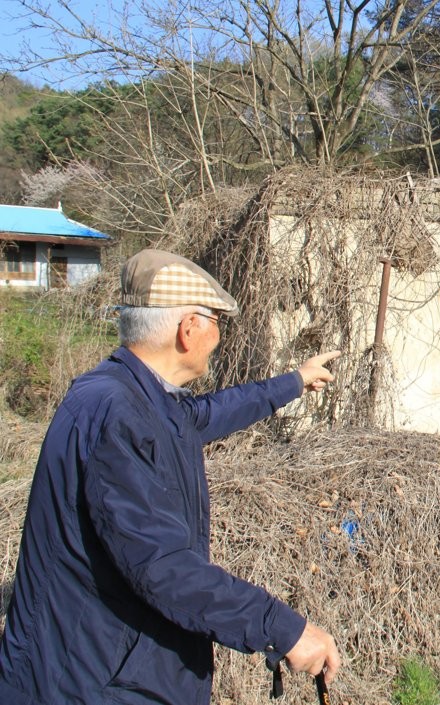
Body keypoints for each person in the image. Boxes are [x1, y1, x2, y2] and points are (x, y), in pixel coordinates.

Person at [0, 249, 342, 705]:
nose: (219, 336)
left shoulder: (133, 396)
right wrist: (283, 629)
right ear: (188, 329)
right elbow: (164, 567)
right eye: (215, 321)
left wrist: (294, 382)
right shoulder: (118, 416)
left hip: (102, 667)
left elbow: (208, 413)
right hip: (89, 684)